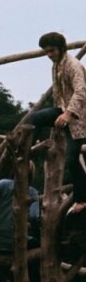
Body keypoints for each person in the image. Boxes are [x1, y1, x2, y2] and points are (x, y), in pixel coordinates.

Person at [27, 32, 86, 215]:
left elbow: (81, 92)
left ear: (61, 48)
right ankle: (28, 151)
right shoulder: (56, 65)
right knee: (34, 119)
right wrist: (59, 116)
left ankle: (82, 199)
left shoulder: (73, 66)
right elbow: (59, 94)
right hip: (62, 109)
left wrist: (68, 114)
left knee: (71, 160)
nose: (49, 55)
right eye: (46, 52)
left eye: (52, 50)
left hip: (79, 118)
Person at [0, 166, 40, 253]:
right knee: (39, 244)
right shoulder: (32, 192)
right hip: (15, 242)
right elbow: (34, 217)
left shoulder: (3, 184)